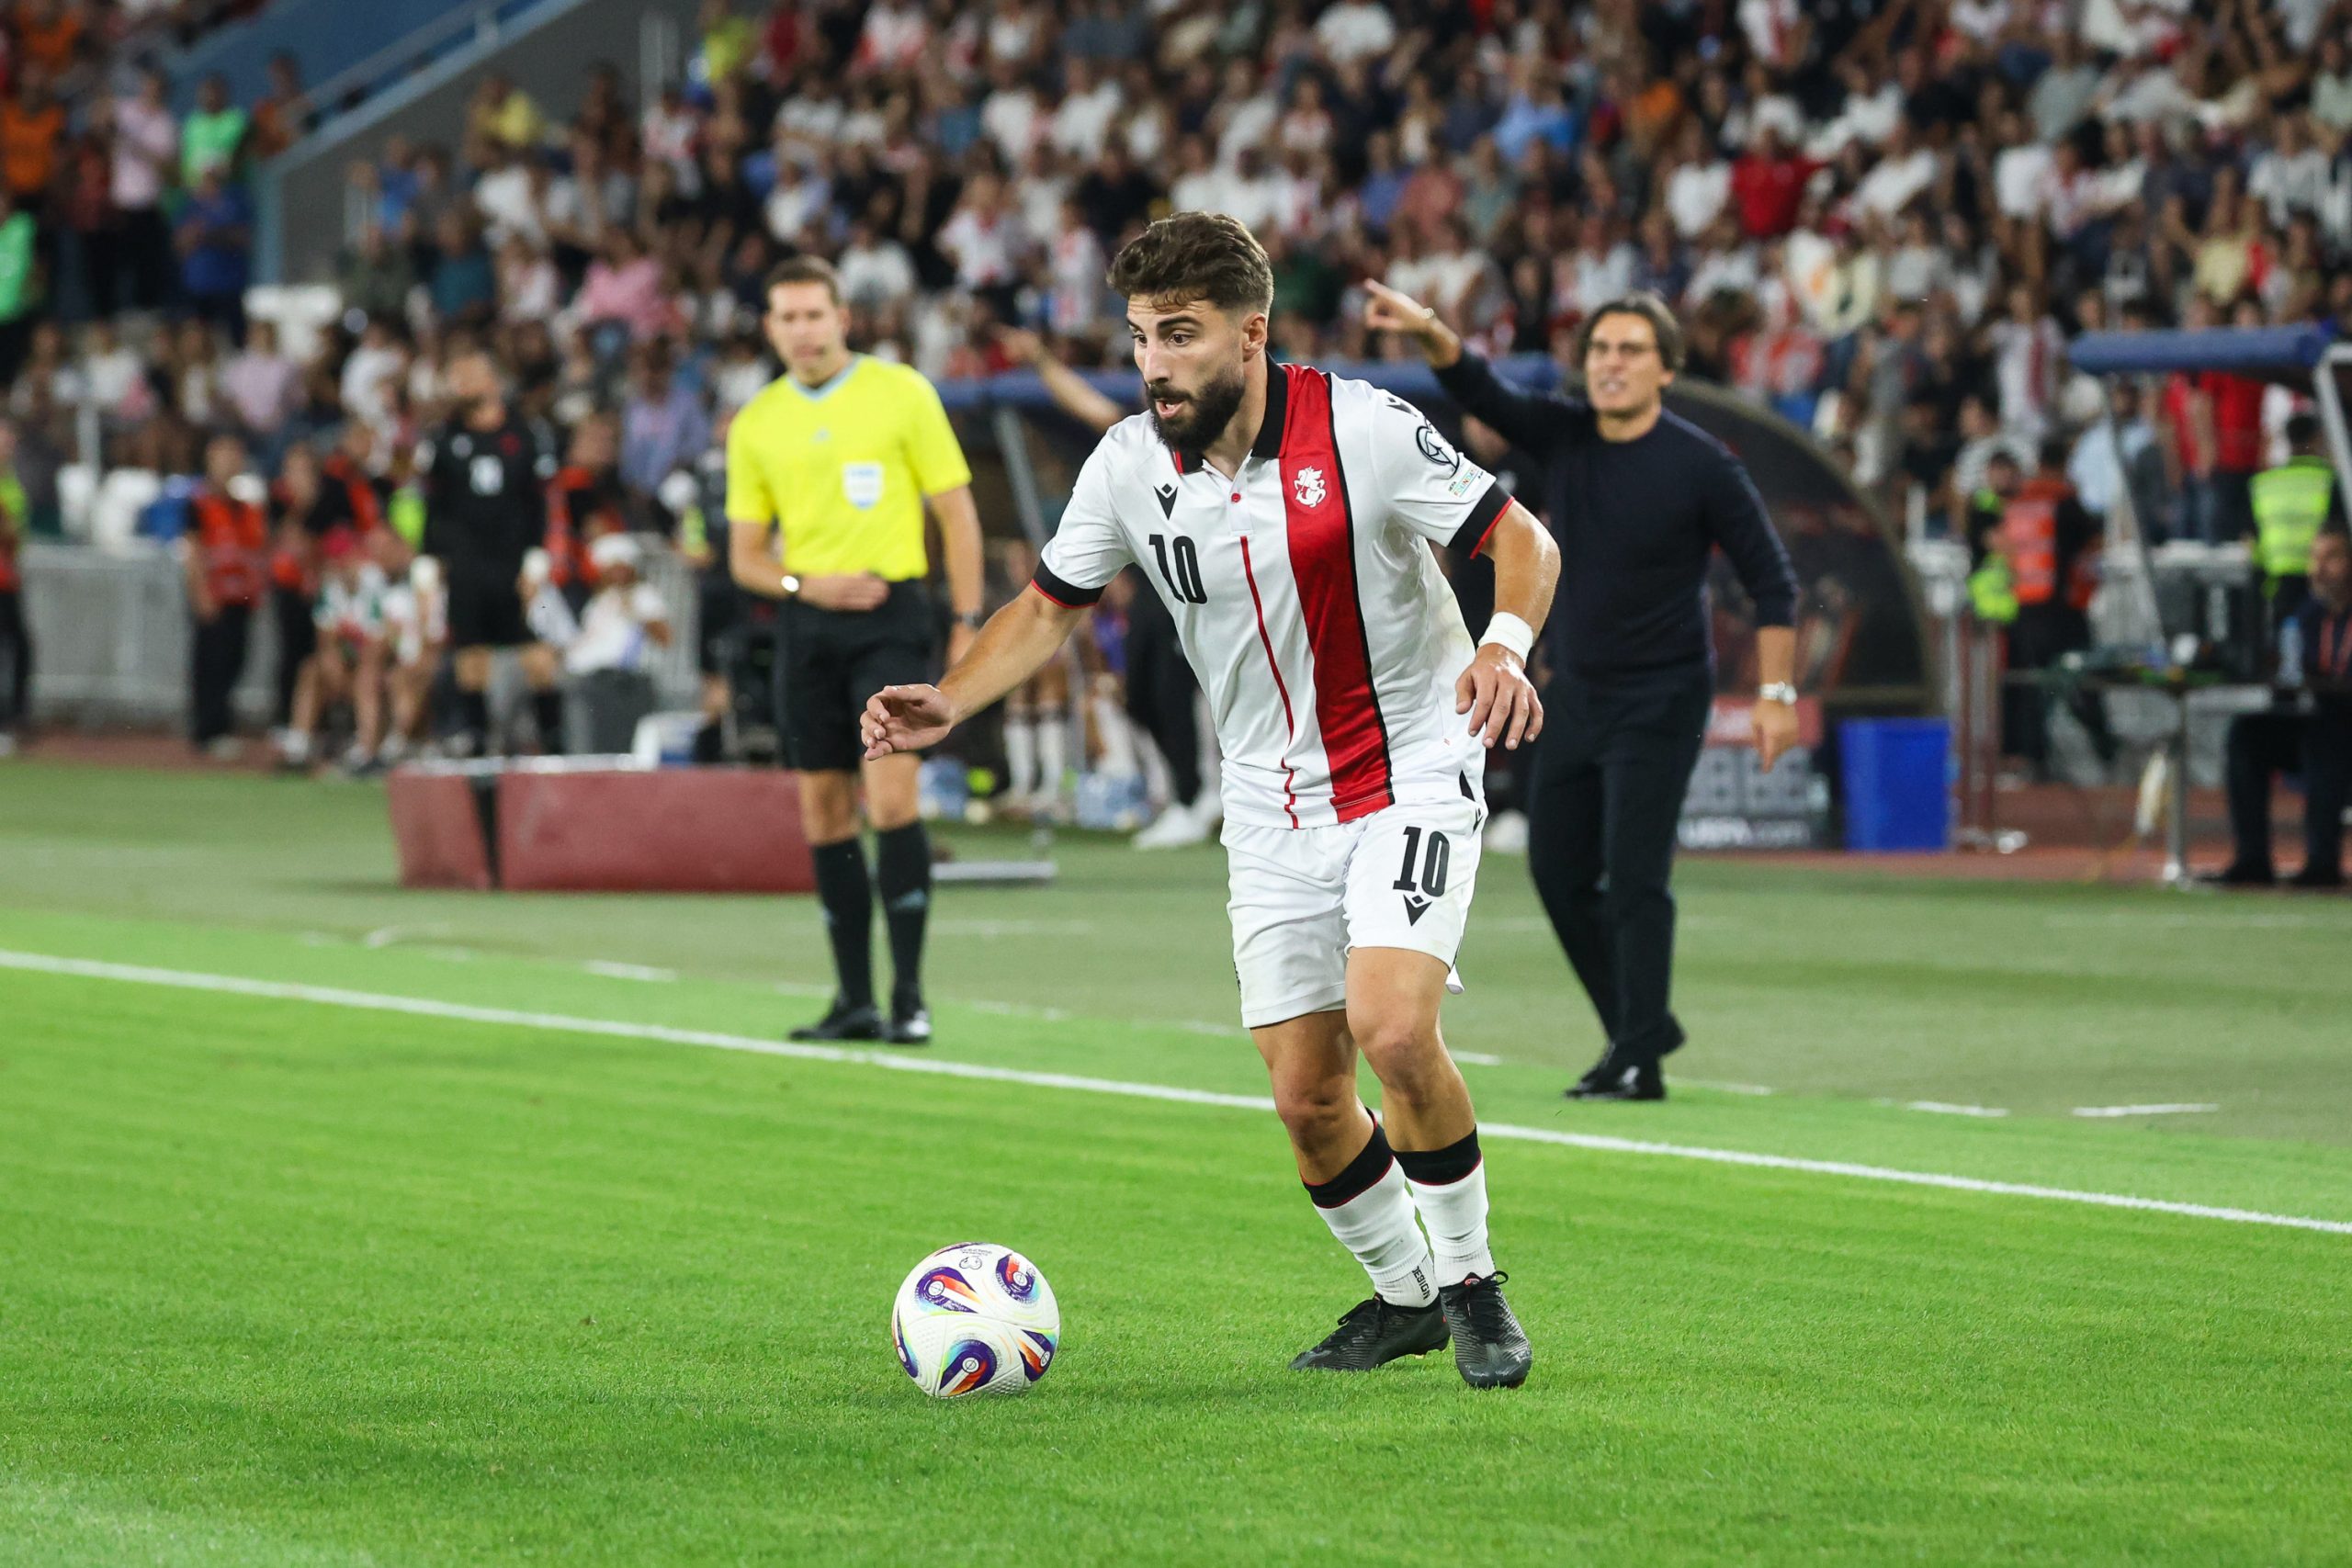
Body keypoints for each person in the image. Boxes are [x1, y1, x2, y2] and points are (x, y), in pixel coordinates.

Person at [864, 213, 1560, 1388]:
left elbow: (1521, 540)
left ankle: (1474, 1286)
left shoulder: (1364, 427)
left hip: (1408, 767)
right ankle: (1404, 1301)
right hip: (1268, 801)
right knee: (1307, 1100)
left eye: (1178, 336)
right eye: (1138, 337)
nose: (1151, 364)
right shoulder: (1128, 465)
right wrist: (951, 699)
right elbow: (1044, 606)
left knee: (1393, 1026)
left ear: (1251, 331)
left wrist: (1501, 647)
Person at [1367, 283, 1799, 1103]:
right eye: (1601, 350)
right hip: (1578, 688)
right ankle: (1636, 1029)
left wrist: (1776, 692)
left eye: (1631, 350)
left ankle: (1639, 1054)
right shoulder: (1566, 437)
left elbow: (1772, 583)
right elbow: (1482, 389)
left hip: (1666, 694)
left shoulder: (1702, 463)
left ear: (1666, 368)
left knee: (1634, 874)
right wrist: (1429, 331)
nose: (1612, 364)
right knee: (1557, 867)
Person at [726, 257, 987, 1047]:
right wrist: (808, 584)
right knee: (823, 809)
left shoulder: (902, 391)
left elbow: (957, 514)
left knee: (894, 798)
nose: (802, 331)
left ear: (844, 317)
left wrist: (966, 620)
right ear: (769, 329)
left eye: (814, 314)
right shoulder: (755, 423)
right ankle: (853, 998)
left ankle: (909, 995)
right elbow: (745, 558)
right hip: (808, 628)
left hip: (892, 618)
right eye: (786, 317)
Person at [419, 350, 563, 756]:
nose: (459, 379)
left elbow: (542, 501)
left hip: (518, 561)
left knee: (537, 651)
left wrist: (539, 556)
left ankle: (552, 739)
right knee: (470, 653)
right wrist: (429, 561)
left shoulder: (527, 434)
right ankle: (477, 740)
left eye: (469, 371)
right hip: (467, 563)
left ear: (494, 382)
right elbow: (436, 505)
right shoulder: (445, 439)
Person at [2211, 525, 2352, 890]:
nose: (2318, 569)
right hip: (2317, 720)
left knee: (2325, 740)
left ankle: (2323, 864)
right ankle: (2252, 860)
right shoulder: (2305, 616)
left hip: (2343, 727)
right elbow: (2289, 672)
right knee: (2248, 735)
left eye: (2331, 558)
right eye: (2314, 558)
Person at [1968, 446, 2117, 781]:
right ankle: (2104, 751)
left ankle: (2030, 759)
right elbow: (2094, 543)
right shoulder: (2062, 501)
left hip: (2022, 610)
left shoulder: (2017, 506)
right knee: (2082, 683)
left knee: (2027, 690)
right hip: (2058, 610)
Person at [183, 434, 269, 758]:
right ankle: (208, 729)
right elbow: (193, 551)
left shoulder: (246, 508)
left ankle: (221, 724)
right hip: (214, 596)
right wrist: (200, 592)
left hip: (240, 598)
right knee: (210, 663)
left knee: (235, 660)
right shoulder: (199, 505)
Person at [288, 527, 390, 774]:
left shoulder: (375, 582)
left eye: (344, 558)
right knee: (312, 669)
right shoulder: (331, 586)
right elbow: (326, 636)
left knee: (367, 676)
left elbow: (379, 642)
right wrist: (333, 663)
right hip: (349, 660)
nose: (341, 565)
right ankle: (299, 744)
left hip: (380, 662)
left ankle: (366, 751)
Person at [562, 533, 673, 753]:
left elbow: (665, 637)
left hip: (623, 681)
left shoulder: (643, 595)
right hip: (589, 676)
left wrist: (635, 612)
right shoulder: (600, 600)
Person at [2247, 413, 2345, 631]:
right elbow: (2338, 530)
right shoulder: (2328, 479)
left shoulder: (2263, 482)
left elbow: (2251, 536)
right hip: (2320, 575)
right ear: (2317, 438)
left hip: (2276, 578)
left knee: (2283, 643)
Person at [0, 419, 27, 753]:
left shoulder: (11, 484)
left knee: (18, 650)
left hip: (7, 579)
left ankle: (11, 720)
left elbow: (15, 535)